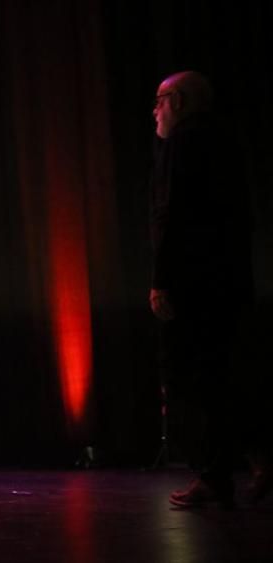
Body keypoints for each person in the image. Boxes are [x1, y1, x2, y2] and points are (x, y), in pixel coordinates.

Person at [148, 71, 258, 507]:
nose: (154, 110)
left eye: (159, 100)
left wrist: (161, 280)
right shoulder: (223, 142)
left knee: (194, 379)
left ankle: (219, 473)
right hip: (227, 279)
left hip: (195, 282)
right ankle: (252, 457)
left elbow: (173, 214)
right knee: (221, 375)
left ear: (178, 100)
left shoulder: (186, 142)